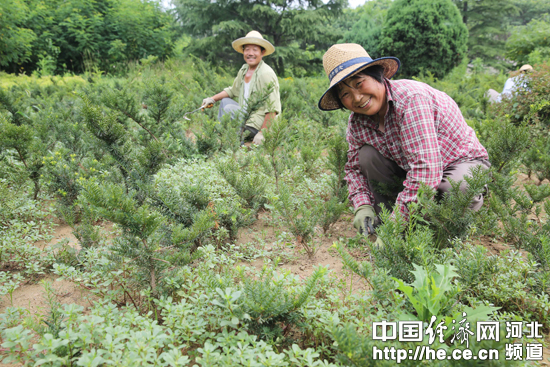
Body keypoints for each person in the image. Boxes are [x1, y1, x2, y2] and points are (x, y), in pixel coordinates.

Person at [317, 43, 491, 235]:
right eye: (346, 94)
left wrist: (395, 226)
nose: (357, 98)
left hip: (458, 162)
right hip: (411, 169)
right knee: (365, 156)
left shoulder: (411, 100)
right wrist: (362, 205)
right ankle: (393, 219)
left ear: (378, 76)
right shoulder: (357, 122)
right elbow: (353, 169)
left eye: (359, 84)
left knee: (455, 187)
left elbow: (426, 171)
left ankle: (436, 231)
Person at [202, 31, 281, 145]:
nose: (250, 53)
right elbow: (232, 90)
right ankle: (225, 138)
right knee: (225, 102)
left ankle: (233, 143)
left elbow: (273, 107)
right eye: (247, 49)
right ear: (243, 51)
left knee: (229, 109)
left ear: (262, 52)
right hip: (246, 114)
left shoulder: (265, 74)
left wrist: (263, 132)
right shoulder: (244, 70)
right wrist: (212, 99)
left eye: (255, 49)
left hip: (257, 121)